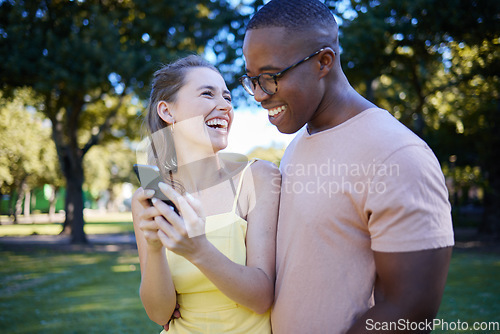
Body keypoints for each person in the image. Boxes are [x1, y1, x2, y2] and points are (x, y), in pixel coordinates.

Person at [239, 1, 454, 333]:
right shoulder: (297, 146)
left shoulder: (397, 154)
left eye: (269, 77)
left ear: (324, 62)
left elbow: (410, 310)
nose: (258, 94)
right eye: (251, 79)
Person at [131, 55, 280, 333]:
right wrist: (154, 248)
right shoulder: (151, 195)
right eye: (207, 94)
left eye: (227, 97)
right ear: (167, 111)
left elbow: (261, 297)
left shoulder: (257, 178)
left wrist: (198, 249)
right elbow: (159, 312)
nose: (224, 106)